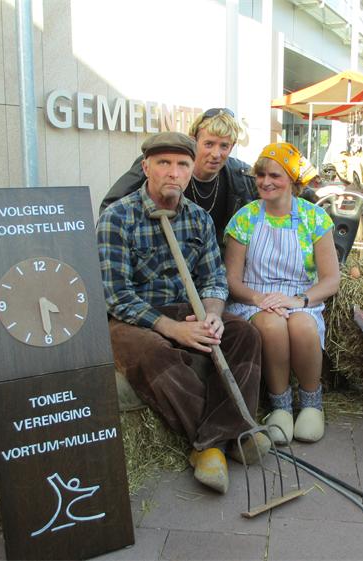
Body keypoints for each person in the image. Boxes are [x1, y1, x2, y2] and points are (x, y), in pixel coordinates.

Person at [97, 132, 266, 495]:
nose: (173, 172)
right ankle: (222, 440)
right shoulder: (117, 218)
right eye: (164, 163)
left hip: (187, 309)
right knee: (152, 353)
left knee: (244, 334)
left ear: (191, 171)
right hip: (134, 319)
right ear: (146, 168)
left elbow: (214, 279)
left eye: (182, 165)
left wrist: (213, 314)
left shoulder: (199, 219)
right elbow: (117, 296)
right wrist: (172, 329)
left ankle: (213, 442)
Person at [224, 143, 340, 445]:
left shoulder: (315, 218)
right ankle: (281, 406)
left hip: (301, 297)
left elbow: (331, 280)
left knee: (302, 326)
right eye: (260, 175)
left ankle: (312, 404)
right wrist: (258, 299)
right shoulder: (245, 218)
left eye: (274, 175)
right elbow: (232, 280)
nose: (265, 182)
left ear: (292, 179)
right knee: (272, 326)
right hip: (254, 299)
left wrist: (299, 301)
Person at [100, 108, 257, 249]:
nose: (216, 154)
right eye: (209, 144)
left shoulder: (242, 176)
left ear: (232, 146)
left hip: (214, 260)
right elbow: (111, 208)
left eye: (224, 146)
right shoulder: (157, 163)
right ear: (194, 141)